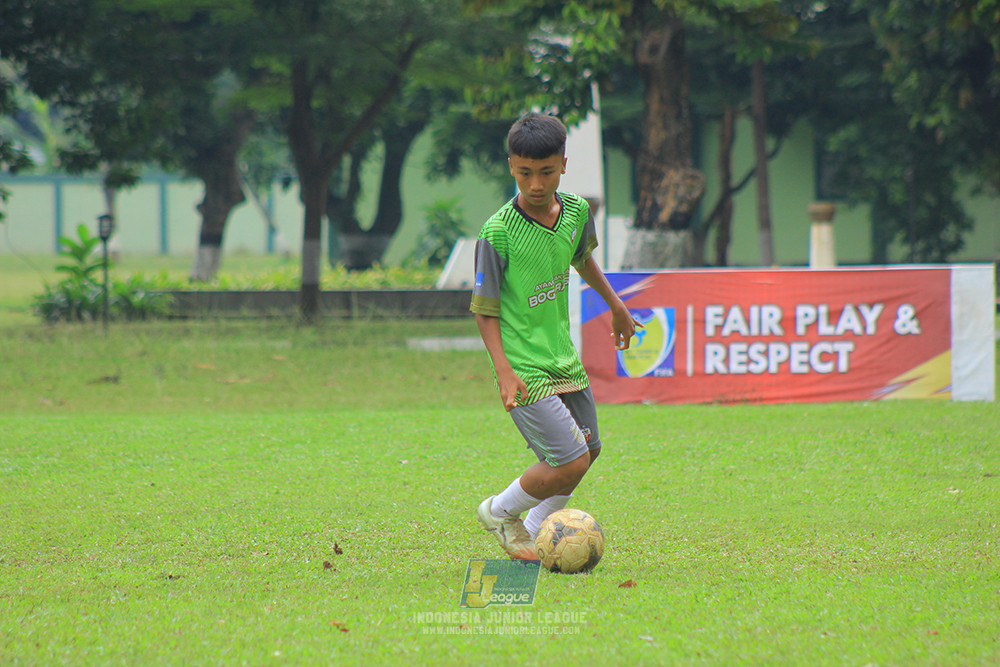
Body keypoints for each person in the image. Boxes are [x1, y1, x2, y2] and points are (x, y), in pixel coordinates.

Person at [470, 112, 640, 560]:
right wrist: (504, 372)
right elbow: (483, 311)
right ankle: (498, 511)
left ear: (563, 165)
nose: (536, 183)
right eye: (525, 173)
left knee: (591, 449)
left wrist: (617, 305)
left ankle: (529, 529)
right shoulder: (498, 232)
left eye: (546, 172)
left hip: (562, 358)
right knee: (571, 460)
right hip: (523, 367)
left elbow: (582, 259)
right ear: (511, 166)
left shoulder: (577, 213)